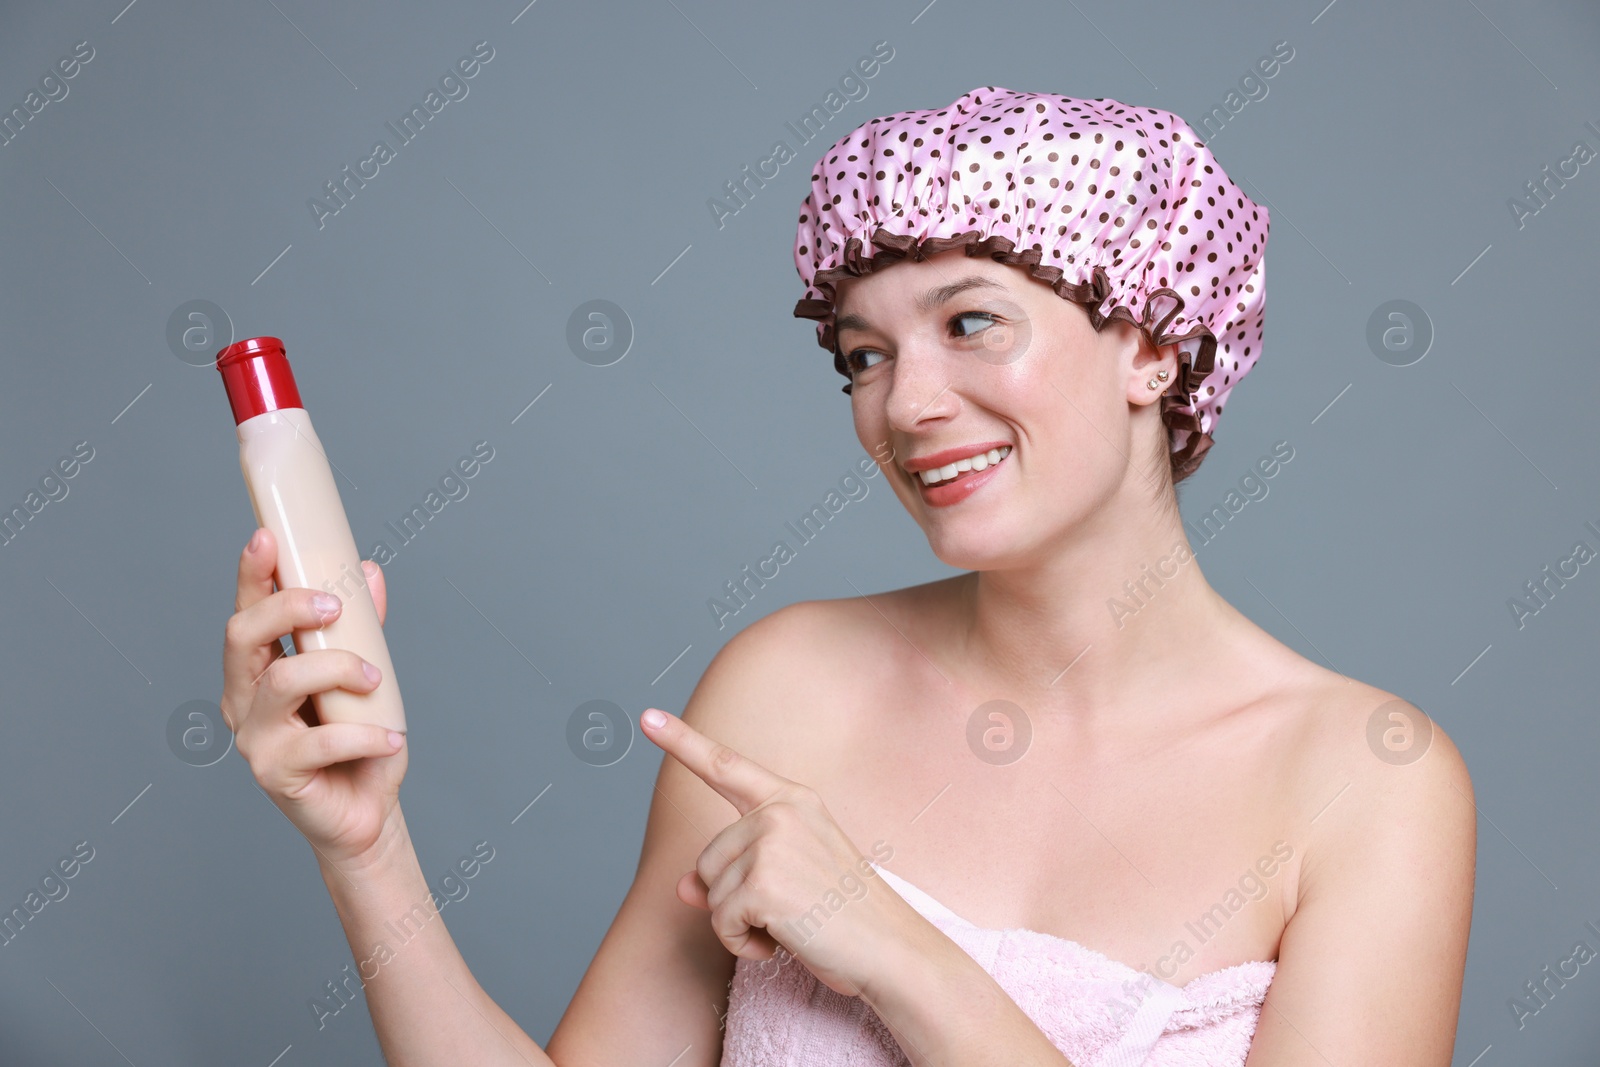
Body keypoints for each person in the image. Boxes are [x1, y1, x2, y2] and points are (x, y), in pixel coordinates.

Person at [220, 88, 1475, 1066]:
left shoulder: (1366, 781)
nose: (907, 403)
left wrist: (897, 955)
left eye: (971, 321)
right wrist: (366, 846)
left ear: (1149, 338)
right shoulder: (787, 688)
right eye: (861, 354)